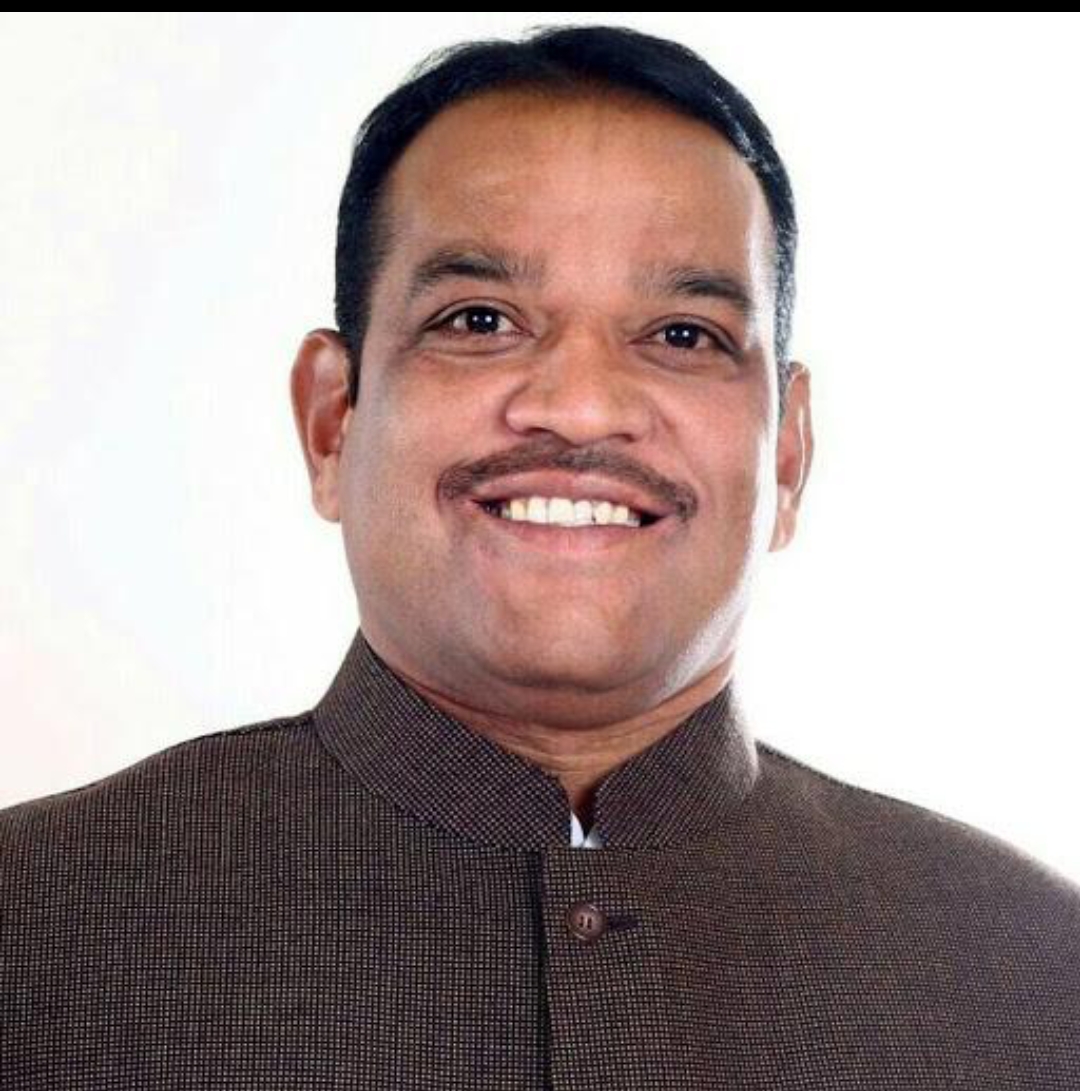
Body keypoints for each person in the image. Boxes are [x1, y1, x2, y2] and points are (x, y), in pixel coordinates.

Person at [2, 22, 1078, 1090]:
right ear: (331, 421)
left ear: (787, 454)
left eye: (684, 335)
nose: (581, 404)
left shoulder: (1037, 972)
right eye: (480, 319)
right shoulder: (31, 930)